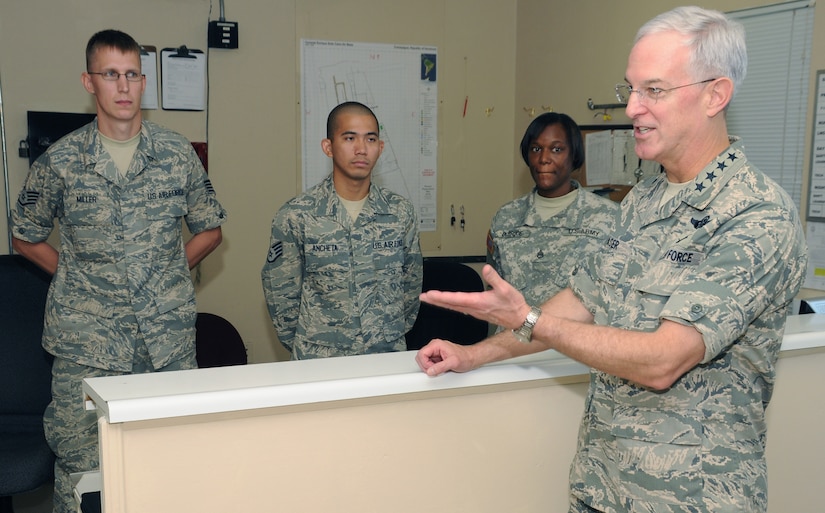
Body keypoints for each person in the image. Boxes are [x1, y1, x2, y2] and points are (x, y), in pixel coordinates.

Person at [416, 7, 808, 513]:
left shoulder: (758, 214)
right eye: (631, 89)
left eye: (654, 90)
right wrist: (474, 354)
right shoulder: (645, 199)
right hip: (604, 487)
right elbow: (579, 302)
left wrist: (531, 320)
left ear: (716, 94)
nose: (633, 109)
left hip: (691, 499)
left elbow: (665, 359)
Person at [10, 29, 226, 513]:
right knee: (83, 470)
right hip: (86, 344)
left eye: (131, 75)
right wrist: (76, 275)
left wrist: (162, 273)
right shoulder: (61, 161)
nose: (123, 87)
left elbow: (210, 229)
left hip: (166, 344)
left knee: (172, 463)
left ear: (143, 82)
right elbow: (23, 234)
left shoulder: (176, 154)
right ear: (90, 82)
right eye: (111, 75)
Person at [262, 101, 423, 359]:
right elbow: (281, 296)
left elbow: (411, 288)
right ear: (328, 147)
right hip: (320, 361)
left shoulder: (399, 213)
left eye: (370, 139)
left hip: (385, 356)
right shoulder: (297, 215)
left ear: (380, 148)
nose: (361, 149)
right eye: (349, 138)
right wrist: (313, 345)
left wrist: (387, 336)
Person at [486, 112, 617, 331]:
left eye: (557, 149)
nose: (544, 158)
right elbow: (494, 292)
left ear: (574, 156)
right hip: (513, 348)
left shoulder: (608, 218)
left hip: (577, 353)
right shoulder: (506, 218)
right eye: (536, 149)